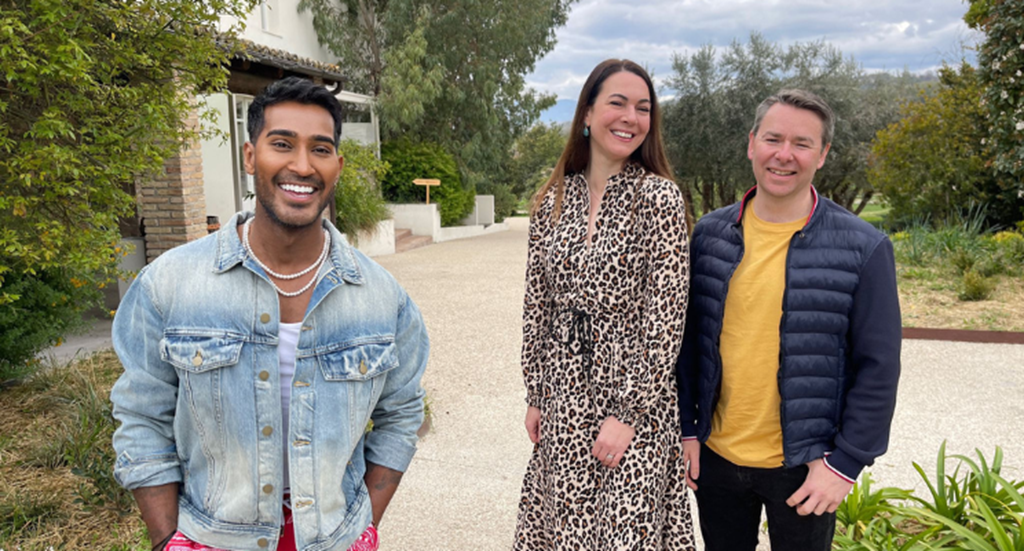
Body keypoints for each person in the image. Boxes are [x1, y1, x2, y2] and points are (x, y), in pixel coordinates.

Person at [110, 76, 429, 551]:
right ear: (250, 155)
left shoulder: (383, 299)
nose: (302, 165)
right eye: (282, 144)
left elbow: (401, 415)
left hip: (333, 538)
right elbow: (141, 414)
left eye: (320, 149)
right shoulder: (171, 284)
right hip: (209, 537)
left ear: (337, 165)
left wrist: (364, 527)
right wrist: (166, 540)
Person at [675, 89, 902, 550]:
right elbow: (686, 343)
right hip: (716, 459)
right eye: (773, 138)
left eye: (802, 143)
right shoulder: (709, 236)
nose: (784, 155)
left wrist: (845, 464)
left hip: (806, 467)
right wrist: (687, 428)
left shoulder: (864, 248)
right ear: (751, 143)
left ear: (822, 155)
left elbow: (879, 366)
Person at [514, 59, 695, 550]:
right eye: (618, 102)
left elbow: (666, 317)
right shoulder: (552, 199)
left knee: (625, 533)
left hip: (636, 396)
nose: (631, 117)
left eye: (644, 108)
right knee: (566, 527)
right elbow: (537, 305)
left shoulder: (659, 198)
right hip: (564, 389)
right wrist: (535, 391)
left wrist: (627, 413)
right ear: (588, 113)